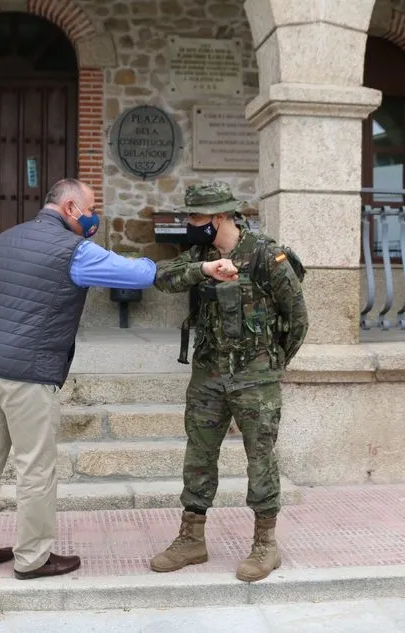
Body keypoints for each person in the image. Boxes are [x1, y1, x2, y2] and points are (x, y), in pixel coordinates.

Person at [0, 178, 157, 580]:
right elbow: (136, 275)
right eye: (91, 209)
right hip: (29, 374)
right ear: (70, 208)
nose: (94, 217)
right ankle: (32, 558)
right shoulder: (74, 250)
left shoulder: (3, 240)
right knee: (35, 467)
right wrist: (160, 267)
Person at [149, 182, 308, 582]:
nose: (190, 222)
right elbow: (162, 278)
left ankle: (265, 544)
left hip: (255, 378)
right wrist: (202, 270)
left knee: (261, 458)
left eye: (196, 216)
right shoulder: (201, 255)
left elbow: (298, 319)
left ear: (219, 217)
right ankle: (191, 539)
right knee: (199, 455)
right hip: (208, 375)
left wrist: (271, 364)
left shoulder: (265, 255)